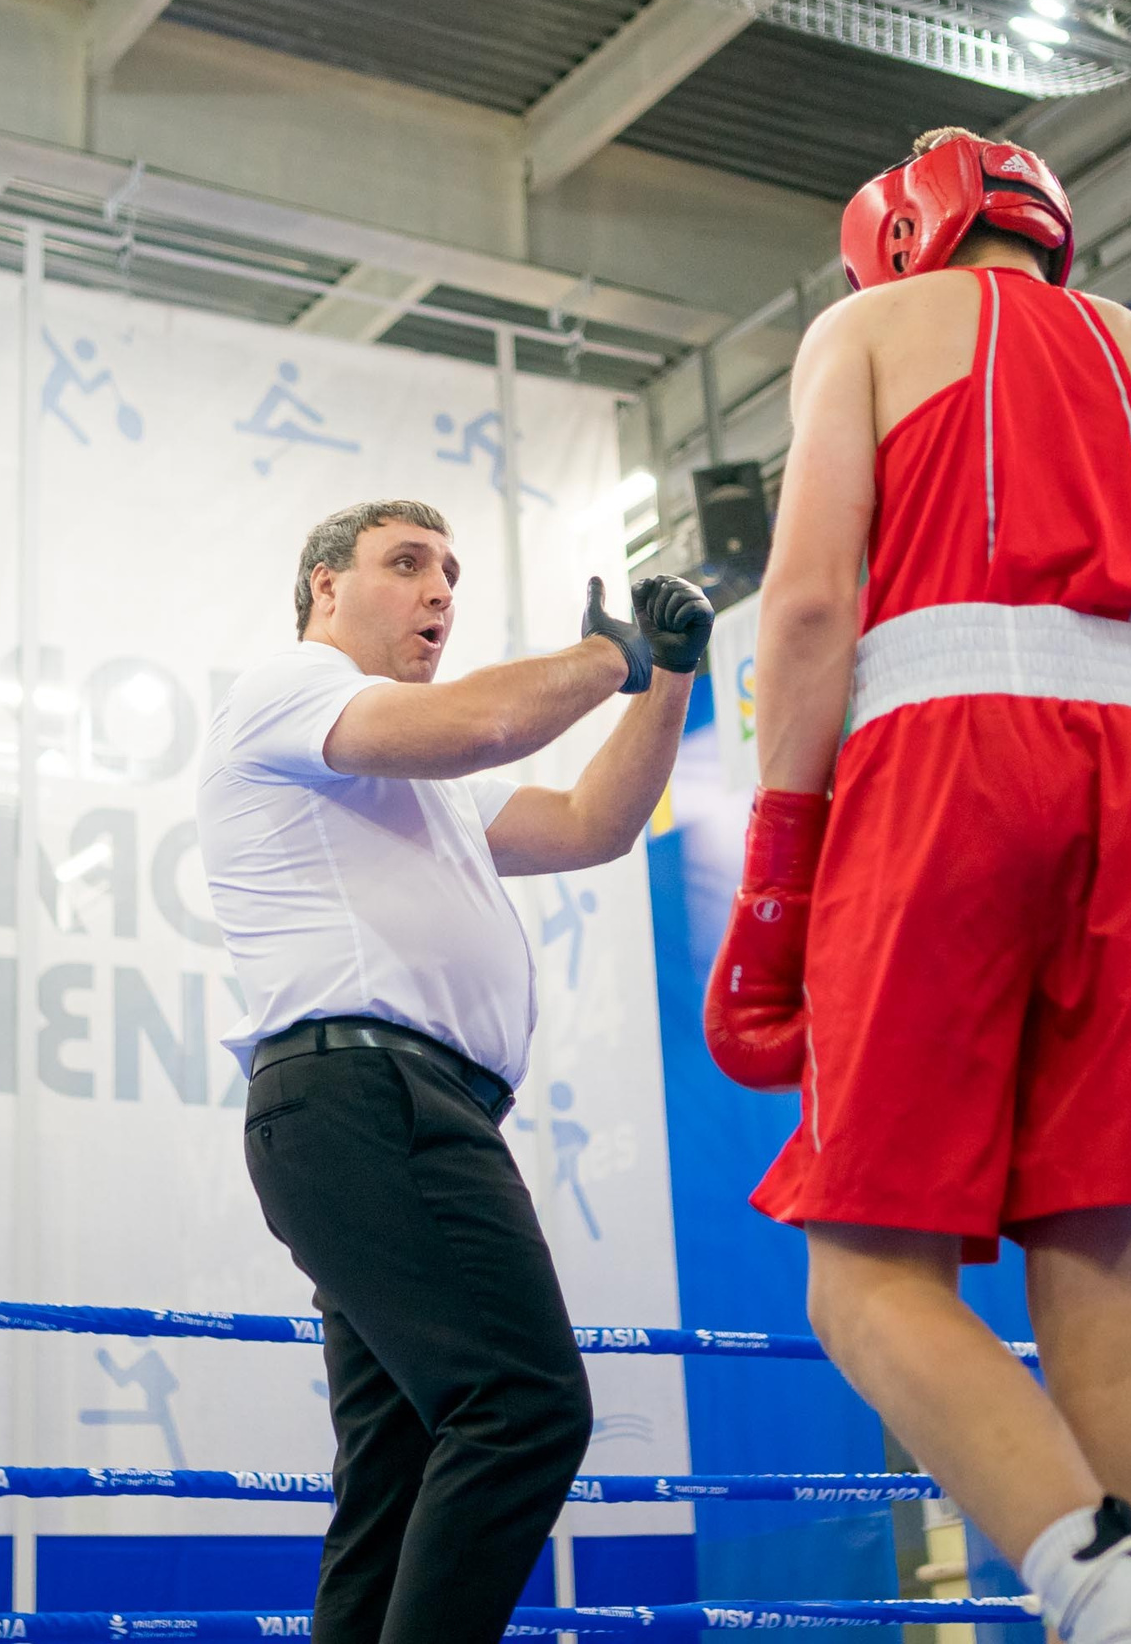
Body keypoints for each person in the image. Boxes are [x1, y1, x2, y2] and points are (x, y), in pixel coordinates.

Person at [702, 127, 1131, 1644]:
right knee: (1104, 1261)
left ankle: (1107, 1597)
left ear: (902, 232)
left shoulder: (868, 328)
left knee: (863, 1274)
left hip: (940, 752)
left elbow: (814, 598)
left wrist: (779, 858)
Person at [197, 497, 711, 1644]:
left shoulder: (419, 789)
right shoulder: (287, 686)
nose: (440, 592)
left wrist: (667, 678)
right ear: (325, 586)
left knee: (399, 1473)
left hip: (385, 1113)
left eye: (450, 573)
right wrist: (603, 657)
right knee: (521, 1407)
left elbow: (590, 823)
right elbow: (483, 726)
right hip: (370, 1100)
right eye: (407, 564)